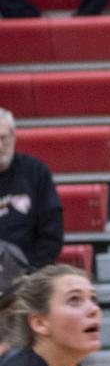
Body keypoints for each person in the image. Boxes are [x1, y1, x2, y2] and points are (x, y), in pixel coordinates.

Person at [0, 109, 64, 277]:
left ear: (13, 137)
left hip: (30, 276)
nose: (0, 146)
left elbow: (52, 234)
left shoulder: (35, 171)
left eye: (3, 138)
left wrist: (26, 272)